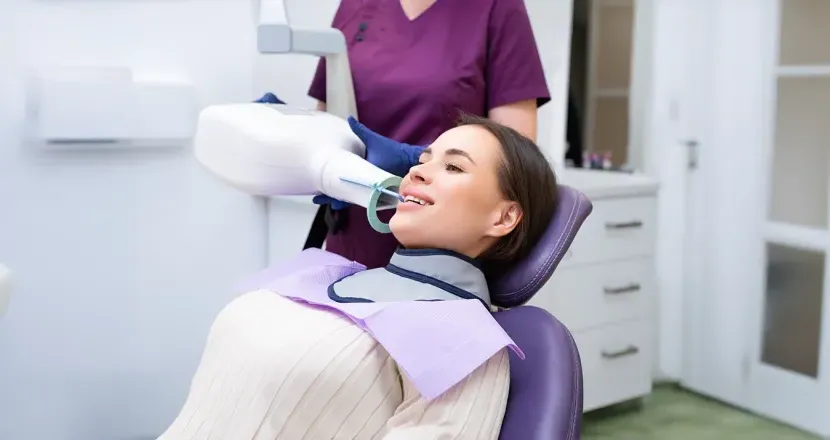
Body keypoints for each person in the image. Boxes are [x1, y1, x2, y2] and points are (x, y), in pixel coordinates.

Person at [157, 115, 558, 440]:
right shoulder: (322, 274)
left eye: (453, 166)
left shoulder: (466, 344)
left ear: (504, 217)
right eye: (423, 161)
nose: (418, 173)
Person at [303, 0, 550, 269]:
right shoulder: (355, 5)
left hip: (444, 256)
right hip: (353, 232)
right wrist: (280, 130)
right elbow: (327, 125)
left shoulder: (496, 7)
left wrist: (415, 158)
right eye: (420, 164)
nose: (417, 172)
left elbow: (515, 164)